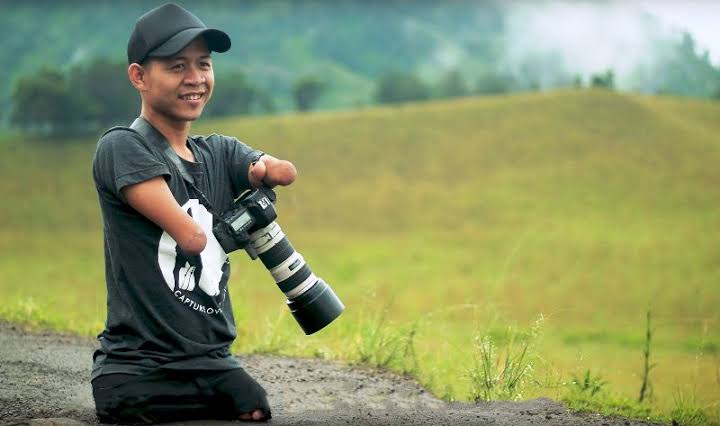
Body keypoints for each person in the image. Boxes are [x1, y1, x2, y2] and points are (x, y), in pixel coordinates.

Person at [90, 3, 296, 423]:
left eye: (203, 64)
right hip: (137, 367)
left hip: (210, 361)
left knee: (256, 405)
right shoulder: (122, 147)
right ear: (139, 77)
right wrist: (240, 225)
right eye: (176, 66)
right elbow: (191, 237)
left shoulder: (218, 150)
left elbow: (285, 171)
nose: (195, 79)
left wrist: (265, 172)